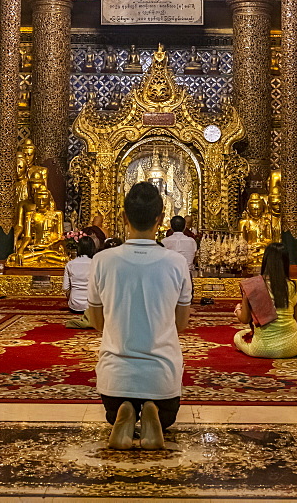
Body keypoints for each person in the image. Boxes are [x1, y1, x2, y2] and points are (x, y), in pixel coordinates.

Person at [86, 182, 192, 450]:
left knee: (114, 409)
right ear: (160, 218)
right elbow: (181, 323)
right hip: (162, 379)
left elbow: (96, 323)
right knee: (167, 413)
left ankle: (125, 409)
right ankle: (153, 411)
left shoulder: (102, 260)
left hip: (114, 381)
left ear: (124, 217)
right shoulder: (176, 262)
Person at [233, 243, 297, 358]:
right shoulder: (295, 287)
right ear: (286, 262)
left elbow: (245, 319)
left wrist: (238, 310)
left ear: (265, 261)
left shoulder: (253, 286)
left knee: (239, 336)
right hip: (292, 347)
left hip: (261, 349)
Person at [63, 236, 96, 328]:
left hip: (75, 306)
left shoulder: (70, 264)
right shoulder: (96, 263)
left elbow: (65, 287)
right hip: (91, 306)